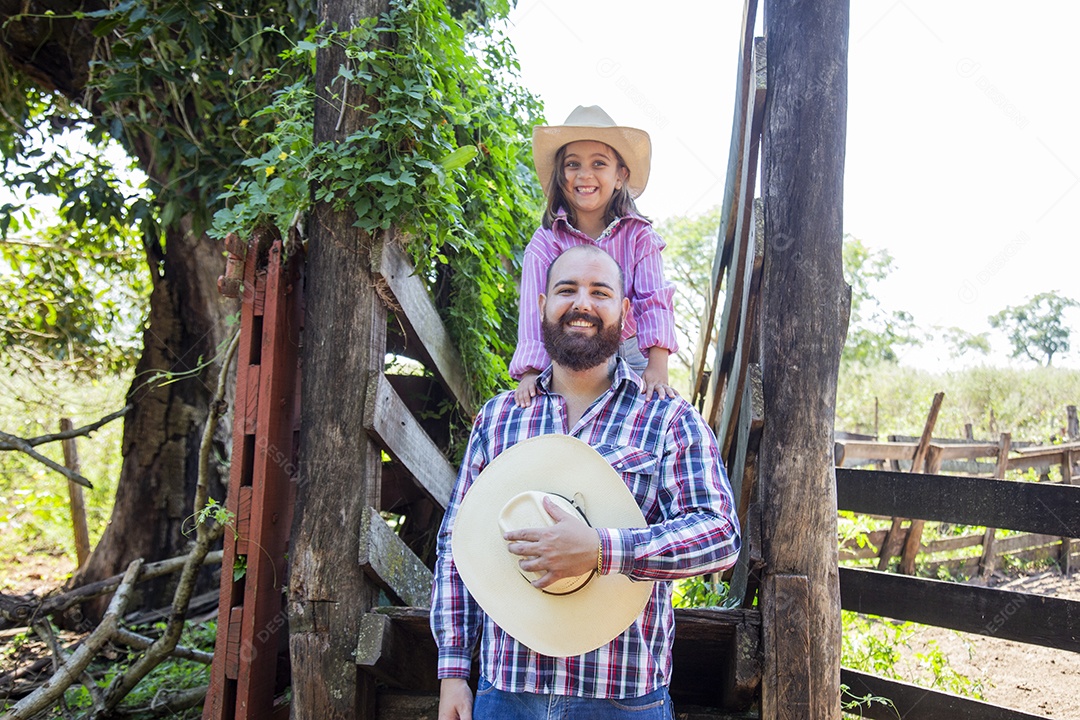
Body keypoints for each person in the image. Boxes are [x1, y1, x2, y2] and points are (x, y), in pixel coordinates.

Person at [431, 244, 741, 720]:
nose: (582, 304)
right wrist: (453, 672)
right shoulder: (498, 420)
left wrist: (601, 549)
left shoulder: (668, 418)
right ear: (542, 306)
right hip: (507, 691)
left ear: (625, 312)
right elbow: (458, 544)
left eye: (600, 292)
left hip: (623, 697)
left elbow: (719, 537)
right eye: (566, 290)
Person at [510, 105, 679, 407]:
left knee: (641, 418)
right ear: (561, 176)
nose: (584, 175)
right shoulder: (545, 242)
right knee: (563, 427)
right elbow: (533, 310)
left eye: (599, 163)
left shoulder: (639, 237)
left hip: (631, 353)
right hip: (565, 355)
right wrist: (530, 371)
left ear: (620, 176)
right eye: (573, 164)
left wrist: (657, 364)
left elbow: (654, 299)